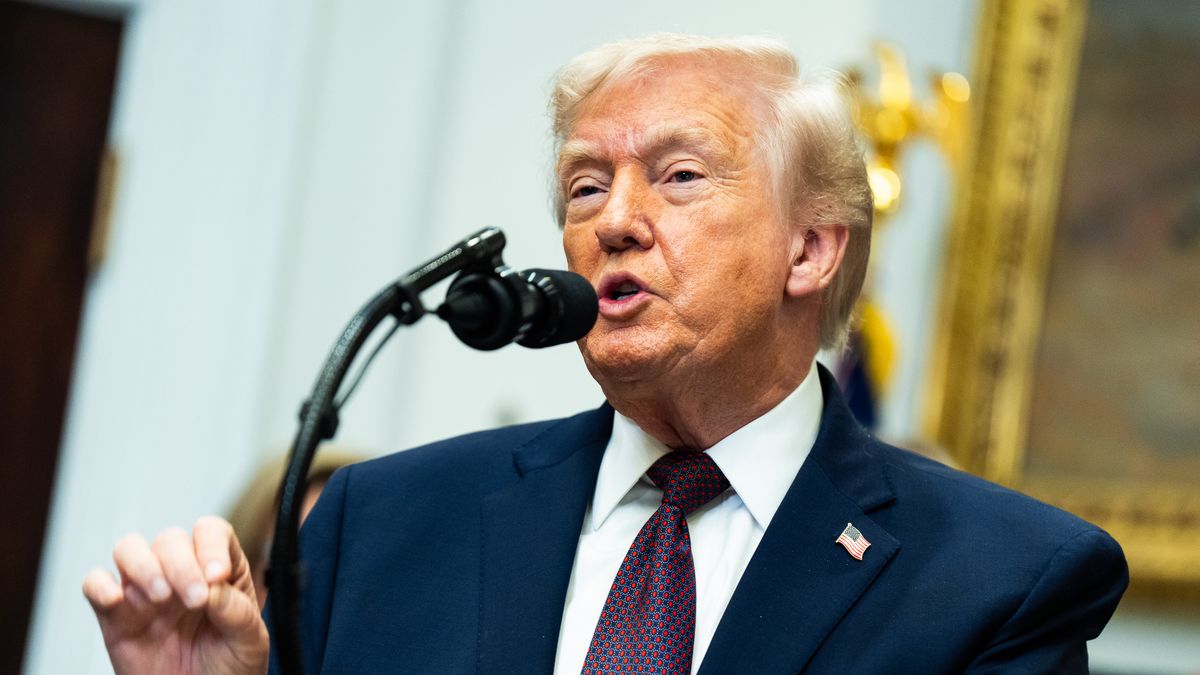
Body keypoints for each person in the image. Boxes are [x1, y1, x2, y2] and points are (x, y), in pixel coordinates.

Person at [83, 34, 1128, 674]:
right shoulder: (385, 525)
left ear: (809, 249)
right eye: (585, 187)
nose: (613, 221)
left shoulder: (998, 581)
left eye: (677, 177)